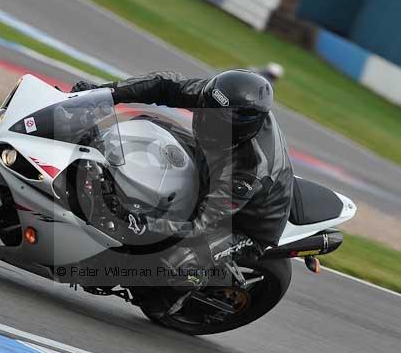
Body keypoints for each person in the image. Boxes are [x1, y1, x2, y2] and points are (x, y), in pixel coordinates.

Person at [72, 69, 293, 286]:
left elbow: (202, 225)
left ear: (241, 125)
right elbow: (164, 85)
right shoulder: (216, 98)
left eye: (217, 118)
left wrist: (143, 222)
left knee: (177, 263)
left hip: (243, 225)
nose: (206, 117)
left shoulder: (251, 170)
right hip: (215, 162)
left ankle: (163, 300)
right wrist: (102, 94)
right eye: (207, 108)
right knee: (147, 127)